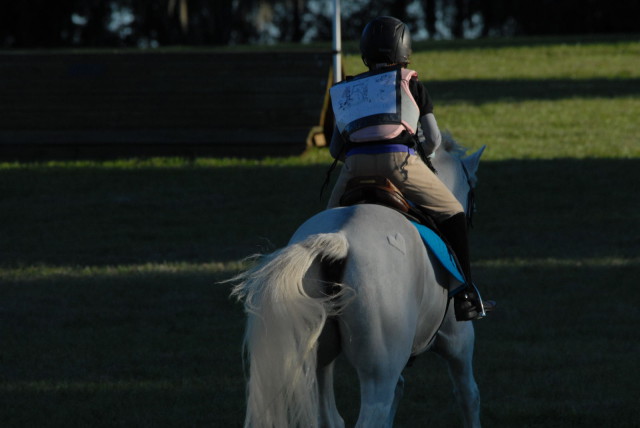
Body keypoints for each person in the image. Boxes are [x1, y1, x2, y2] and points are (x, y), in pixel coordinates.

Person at [326, 16, 494, 321]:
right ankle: (465, 296)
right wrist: (421, 156)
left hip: (354, 167)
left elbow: (335, 149)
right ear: (405, 52)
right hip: (398, 163)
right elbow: (433, 139)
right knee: (454, 211)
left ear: (365, 53)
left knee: (326, 224)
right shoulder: (411, 83)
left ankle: (322, 293)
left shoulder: (346, 90)